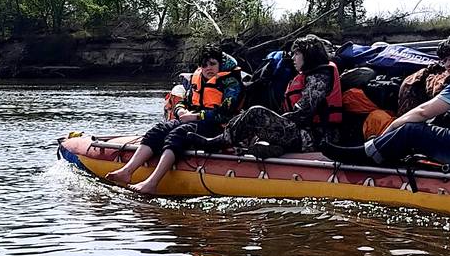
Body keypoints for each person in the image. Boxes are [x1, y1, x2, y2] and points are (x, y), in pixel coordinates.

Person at [320, 29, 450, 172]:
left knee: (411, 129)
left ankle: (367, 155)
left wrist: (392, 127)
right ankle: (384, 151)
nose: (448, 64)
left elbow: (423, 111)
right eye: (445, 60)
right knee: (435, 123)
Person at [107, 47, 242, 194]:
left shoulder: (231, 83)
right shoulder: (198, 81)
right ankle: (127, 171)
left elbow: (226, 113)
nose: (208, 68)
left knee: (178, 134)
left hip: (217, 127)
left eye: (212, 64)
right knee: (158, 130)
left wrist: (196, 116)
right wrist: (181, 111)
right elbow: (183, 102)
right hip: (193, 120)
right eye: (204, 65)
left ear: (220, 65)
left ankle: (152, 183)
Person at [223, 34, 343, 158]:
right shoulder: (308, 75)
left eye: (297, 54)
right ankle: (272, 148)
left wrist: (273, 122)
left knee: (256, 113)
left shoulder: (321, 76)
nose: (293, 58)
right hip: (304, 133)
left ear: (308, 55)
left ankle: (221, 141)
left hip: (318, 137)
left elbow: (304, 111)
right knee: (252, 122)